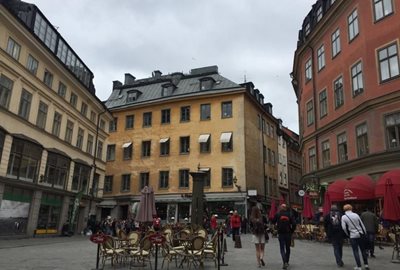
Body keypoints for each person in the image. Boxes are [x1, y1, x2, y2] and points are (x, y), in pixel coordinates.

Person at [341, 204, 369, 270]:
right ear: (351, 208)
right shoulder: (356, 215)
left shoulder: (344, 217)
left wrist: (348, 234)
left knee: (355, 251)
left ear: (344, 209)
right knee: (363, 250)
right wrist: (364, 233)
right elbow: (362, 225)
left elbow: (344, 228)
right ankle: (366, 265)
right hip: (360, 234)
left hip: (353, 235)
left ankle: (359, 266)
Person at [272, 204, 296, 269]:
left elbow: (273, 221)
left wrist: (276, 227)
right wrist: (292, 230)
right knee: (288, 248)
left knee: (282, 248)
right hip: (288, 233)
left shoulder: (278, 214)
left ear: (280, 208)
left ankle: (284, 262)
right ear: (286, 208)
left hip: (281, 233)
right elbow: (294, 223)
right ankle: (287, 261)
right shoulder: (290, 214)